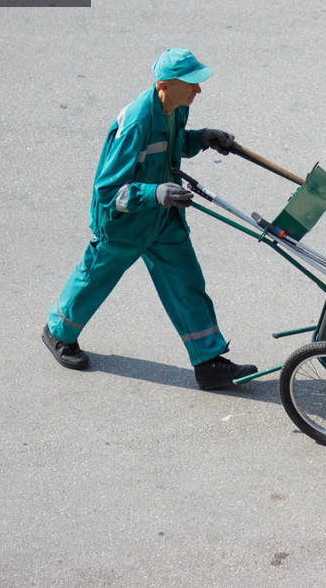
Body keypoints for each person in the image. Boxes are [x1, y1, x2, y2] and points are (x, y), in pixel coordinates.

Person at [42, 48, 257, 390]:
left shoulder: (176, 107)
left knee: (187, 283)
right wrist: (155, 194)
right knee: (94, 279)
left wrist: (202, 138)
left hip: (162, 219)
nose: (198, 91)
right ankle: (58, 332)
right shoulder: (138, 122)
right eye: (191, 84)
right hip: (125, 222)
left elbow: (173, 145)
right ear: (164, 86)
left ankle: (209, 361)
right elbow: (109, 191)